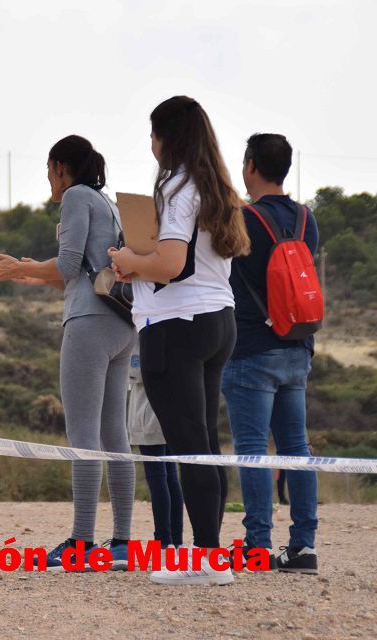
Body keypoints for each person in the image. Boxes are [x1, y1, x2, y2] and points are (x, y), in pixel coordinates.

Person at [0, 135, 137, 571]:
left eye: (49, 171)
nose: (48, 179)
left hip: (87, 324)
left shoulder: (74, 199)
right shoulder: (108, 203)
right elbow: (79, 272)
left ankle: (81, 543)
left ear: (60, 167)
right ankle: (122, 541)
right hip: (122, 324)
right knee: (115, 435)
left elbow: (67, 266)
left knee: (82, 435)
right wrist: (29, 274)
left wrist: (20, 267)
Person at [110, 95, 250, 586]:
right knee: (205, 442)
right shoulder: (216, 186)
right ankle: (212, 555)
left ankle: (207, 561)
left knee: (189, 445)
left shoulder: (176, 186)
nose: (150, 145)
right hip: (218, 320)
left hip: (175, 324)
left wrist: (129, 262)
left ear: (166, 138)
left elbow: (170, 264)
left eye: (152, 135)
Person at [222, 133, 320, 574]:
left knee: (251, 449)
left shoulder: (242, 220)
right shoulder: (306, 220)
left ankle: (257, 545)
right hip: (297, 346)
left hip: (250, 348)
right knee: (296, 447)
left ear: (249, 166)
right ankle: (303, 547)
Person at [128, 354, 183, 549]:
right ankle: (176, 540)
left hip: (148, 412)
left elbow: (135, 371)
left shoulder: (146, 329)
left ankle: (163, 539)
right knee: (170, 476)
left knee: (157, 476)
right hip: (173, 408)